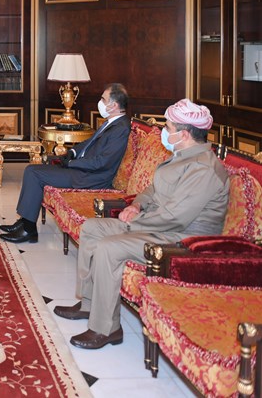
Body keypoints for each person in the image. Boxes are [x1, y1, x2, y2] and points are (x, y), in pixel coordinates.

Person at [54, 99, 229, 350]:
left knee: (108, 247)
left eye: (168, 128)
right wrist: (136, 205)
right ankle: (89, 304)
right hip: (156, 225)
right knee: (92, 228)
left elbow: (175, 217)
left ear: (184, 134)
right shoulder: (182, 156)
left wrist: (135, 221)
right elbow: (153, 189)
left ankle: (107, 328)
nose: (164, 132)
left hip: (181, 239)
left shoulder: (204, 168)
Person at [0, 83, 131, 244]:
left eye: (103, 99)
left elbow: (102, 162)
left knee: (34, 173)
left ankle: (28, 229)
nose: (100, 102)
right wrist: (72, 152)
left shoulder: (121, 128)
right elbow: (89, 143)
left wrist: (73, 163)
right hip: (82, 170)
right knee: (33, 169)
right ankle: (24, 222)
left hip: (90, 177)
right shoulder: (111, 122)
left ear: (114, 105)